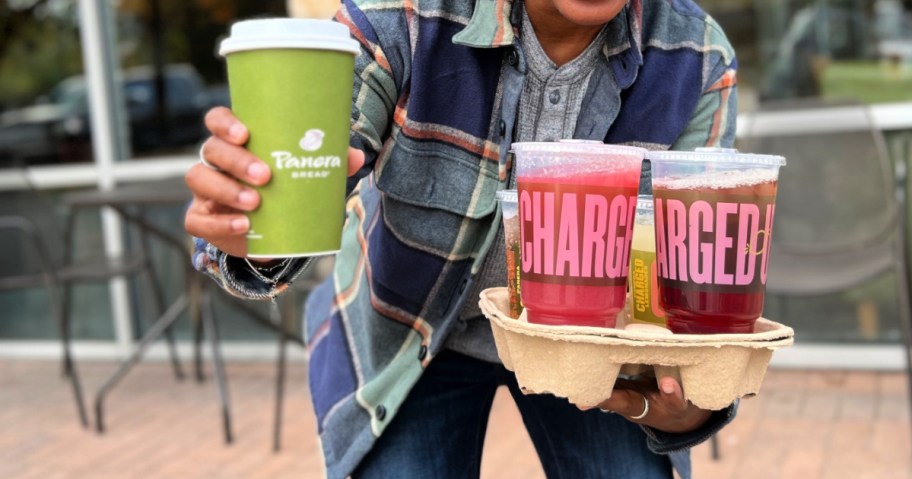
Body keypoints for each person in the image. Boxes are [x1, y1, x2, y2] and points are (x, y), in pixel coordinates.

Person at [185, 0, 739, 477]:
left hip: (592, 342)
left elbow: (691, 285)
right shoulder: (400, 17)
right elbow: (300, 175)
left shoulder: (699, 57)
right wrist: (256, 232)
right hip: (409, 330)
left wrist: (694, 405)